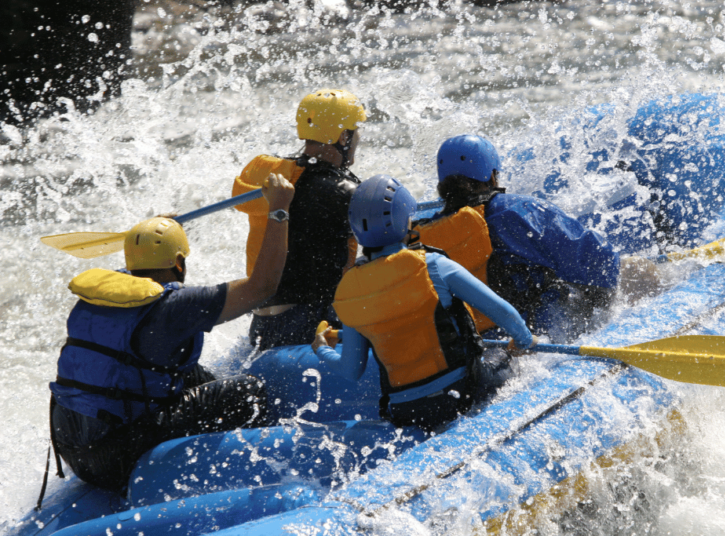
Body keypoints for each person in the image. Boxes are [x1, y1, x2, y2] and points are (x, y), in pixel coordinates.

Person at [47, 174, 295, 494]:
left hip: (72, 448)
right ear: (179, 264)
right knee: (248, 391)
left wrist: (153, 232)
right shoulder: (175, 308)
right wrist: (279, 210)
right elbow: (262, 287)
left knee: (191, 373)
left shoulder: (103, 291)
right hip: (114, 459)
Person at [312, 175, 535, 431]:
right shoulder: (433, 265)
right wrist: (524, 342)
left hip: (406, 411)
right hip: (461, 393)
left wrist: (321, 348)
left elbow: (352, 370)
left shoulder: (348, 291)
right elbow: (503, 313)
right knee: (505, 355)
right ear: (400, 222)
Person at [414, 134, 621, 340]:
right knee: (634, 271)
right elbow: (599, 263)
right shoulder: (517, 211)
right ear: (492, 177)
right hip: (536, 337)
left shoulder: (424, 237)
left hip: (478, 346)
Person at [232, 89, 366, 350]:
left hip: (261, 325)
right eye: (356, 130)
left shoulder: (280, 176)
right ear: (343, 136)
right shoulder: (343, 192)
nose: (359, 137)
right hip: (307, 324)